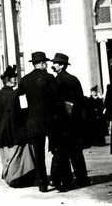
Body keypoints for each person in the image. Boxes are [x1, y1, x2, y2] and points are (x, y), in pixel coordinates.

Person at [16, 51, 61, 193]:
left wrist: (27, 118)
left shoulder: (24, 80)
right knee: (57, 150)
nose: (46, 65)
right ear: (41, 64)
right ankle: (57, 180)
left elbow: (21, 104)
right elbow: (56, 101)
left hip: (33, 122)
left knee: (38, 154)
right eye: (45, 63)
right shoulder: (49, 78)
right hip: (50, 121)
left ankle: (42, 184)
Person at [0, 66, 36, 188]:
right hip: (14, 128)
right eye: (14, 78)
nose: (16, 80)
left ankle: (7, 173)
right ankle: (14, 176)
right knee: (17, 151)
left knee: (5, 152)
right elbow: (20, 112)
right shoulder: (16, 94)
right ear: (8, 80)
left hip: (1, 130)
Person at [49, 53, 90, 191]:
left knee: (63, 153)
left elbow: (55, 103)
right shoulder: (74, 79)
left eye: (55, 63)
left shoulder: (56, 81)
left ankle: (66, 182)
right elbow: (81, 101)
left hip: (61, 123)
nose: (52, 65)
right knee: (77, 153)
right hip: (75, 122)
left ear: (61, 66)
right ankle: (82, 179)